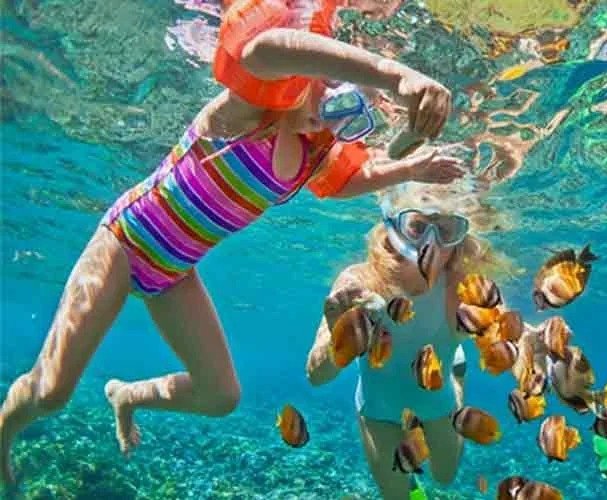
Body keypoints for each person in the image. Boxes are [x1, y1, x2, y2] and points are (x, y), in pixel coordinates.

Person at [0, 0, 466, 487]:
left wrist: (409, 168)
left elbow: (351, 180)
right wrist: (395, 76)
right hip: (124, 242)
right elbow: (265, 48)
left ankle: (127, 396)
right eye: (330, 91)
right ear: (307, 72)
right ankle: (4, 431)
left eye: (348, 115)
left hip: (173, 272)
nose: (329, 117)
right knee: (51, 391)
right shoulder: (246, 113)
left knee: (220, 396)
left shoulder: (311, 155)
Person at [306, 182, 508, 500]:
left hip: (437, 398)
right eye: (417, 227)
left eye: (446, 230)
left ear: (460, 240)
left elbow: (509, 333)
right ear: (394, 227)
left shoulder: (465, 287)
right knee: (397, 496)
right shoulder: (359, 282)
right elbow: (316, 376)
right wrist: (338, 336)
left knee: (444, 476)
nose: (430, 243)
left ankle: (455, 375)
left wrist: (534, 344)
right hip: (378, 405)